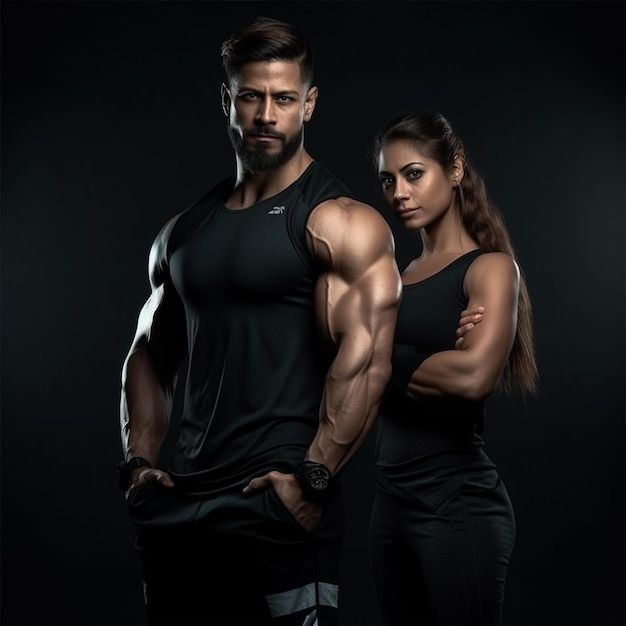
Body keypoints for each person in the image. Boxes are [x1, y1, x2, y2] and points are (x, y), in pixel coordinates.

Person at [117, 18, 402, 626]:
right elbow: (146, 351)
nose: (267, 115)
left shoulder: (338, 222)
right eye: (251, 96)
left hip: (276, 501)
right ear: (228, 100)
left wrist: (315, 478)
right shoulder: (184, 233)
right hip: (183, 500)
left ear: (309, 103)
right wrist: (140, 461)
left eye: (283, 98)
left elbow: (368, 357)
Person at [369, 112, 538, 626]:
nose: (398, 191)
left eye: (413, 173)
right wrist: (426, 361)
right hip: (390, 504)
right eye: (387, 179)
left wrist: (375, 362)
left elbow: (470, 378)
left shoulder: (488, 268)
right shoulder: (398, 278)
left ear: (456, 170)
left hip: (456, 505)